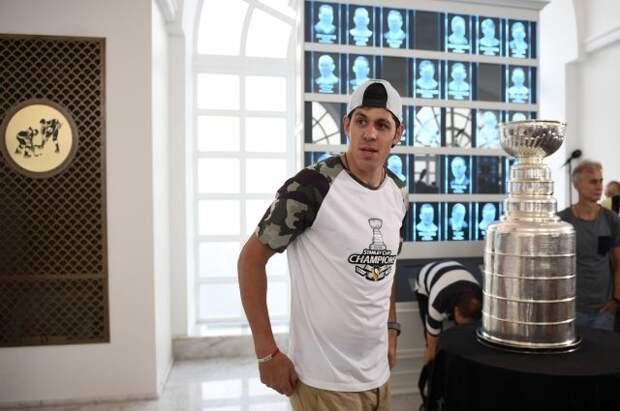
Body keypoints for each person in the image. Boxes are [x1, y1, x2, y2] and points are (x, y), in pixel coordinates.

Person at [238, 79, 407, 410]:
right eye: (361, 121)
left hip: (378, 378)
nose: (370, 134)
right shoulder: (312, 186)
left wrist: (391, 328)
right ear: (347, 125)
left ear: (397, 134)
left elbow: (385, 267)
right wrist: (266, 353)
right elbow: (250, 261)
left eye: (382, 125)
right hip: (322, 382)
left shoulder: (398, 192)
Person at [557, 161, 620, 330]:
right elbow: (553, 268)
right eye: (593, 182)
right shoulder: (562, 222)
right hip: (570, 308)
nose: (599, 186)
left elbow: (618, 262)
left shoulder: (611, 219)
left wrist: (616, 299)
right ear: (577, 185)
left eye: (600, 181)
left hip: (604, 309)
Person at [413, 260, 482, 361]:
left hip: (455, 270)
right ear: (456, 310)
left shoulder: (481, 297)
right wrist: (431, 363)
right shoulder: (437, 303)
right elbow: (432, 343)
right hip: (425, 279)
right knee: (432, 336)